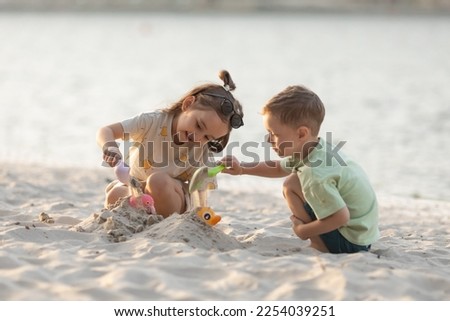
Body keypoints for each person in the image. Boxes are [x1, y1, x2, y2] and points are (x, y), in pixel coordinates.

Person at [221, 85, 379, 254]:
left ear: (302, 134)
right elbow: (278, 167)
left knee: (291, 185)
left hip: (351, 241)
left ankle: (319, 244)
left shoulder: (314, 173)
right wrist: (242, 168)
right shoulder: (316, 148)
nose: (268, 140)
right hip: (362, 234)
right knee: (295, 179)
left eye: (274, 133)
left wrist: (303, 231)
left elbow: (341, 217)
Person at [96, 70, 244, 217]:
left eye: (208, 137)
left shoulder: (201, 150)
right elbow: (107, 130)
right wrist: (111, 148)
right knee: (115, 193)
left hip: (171, 197)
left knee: (157, 181)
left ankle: (159, 218)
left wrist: (216, 168)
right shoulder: (152, 121)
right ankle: (144, 212)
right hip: (136, 187)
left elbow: (200, 194)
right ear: (187, 104)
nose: (197, 137)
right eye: (198, 125)